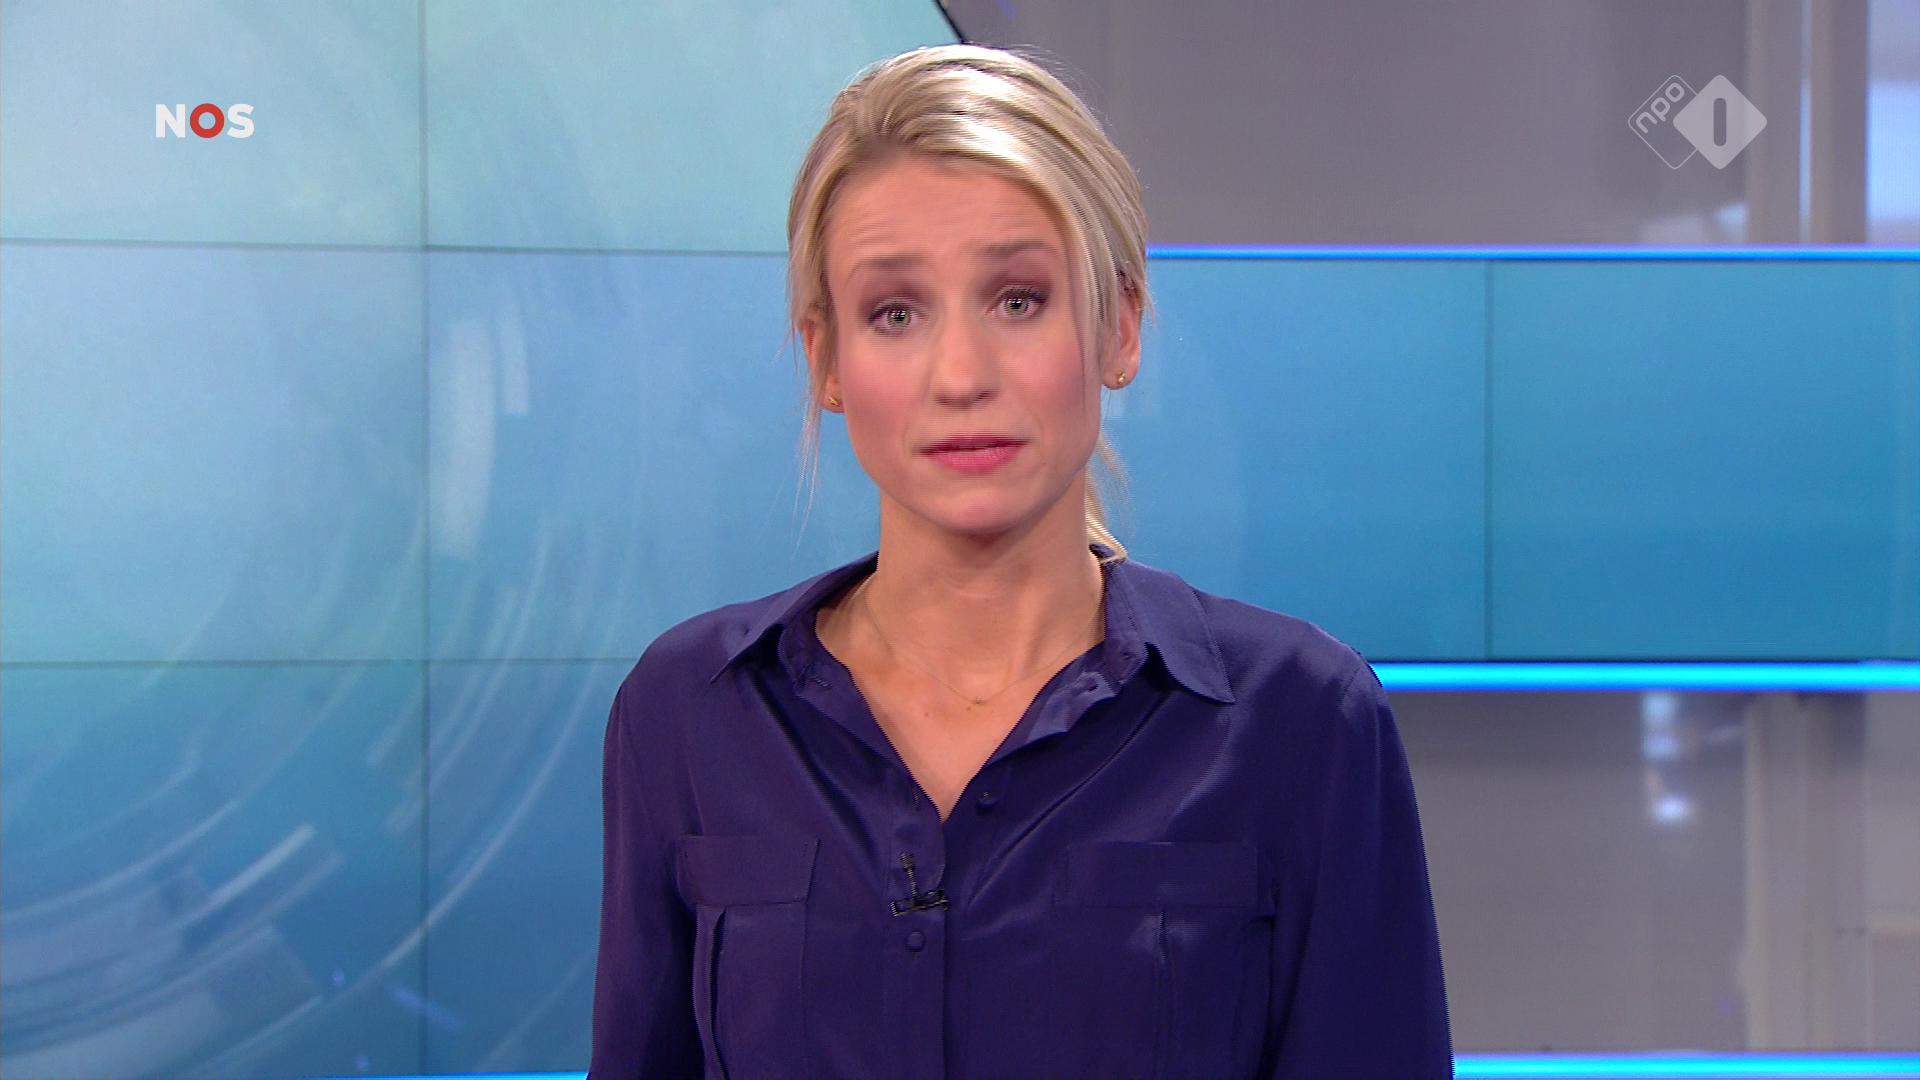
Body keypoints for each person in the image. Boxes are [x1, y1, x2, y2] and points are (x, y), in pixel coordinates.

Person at [589, 42, 1451, 1080]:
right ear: (827, 359)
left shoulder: (1303, 720)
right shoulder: (691, 713)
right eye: (895, 313)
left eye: (1018, 300)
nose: (961, 375)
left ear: (1119, 327)